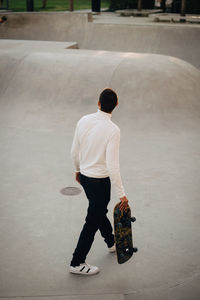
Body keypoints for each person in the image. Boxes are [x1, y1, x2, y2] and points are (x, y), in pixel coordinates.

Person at [69, 88, 128, 276]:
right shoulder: (113, 130)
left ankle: (111, 242)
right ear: (116, 106)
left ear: (98, 102)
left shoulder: (84, 120)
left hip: (86, 178)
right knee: (92, 220)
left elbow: (74, 151)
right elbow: (112, 165)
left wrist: (78, 170)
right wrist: (122, 194)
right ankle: (77, 262)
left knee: (98, 210)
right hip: (101, 183)